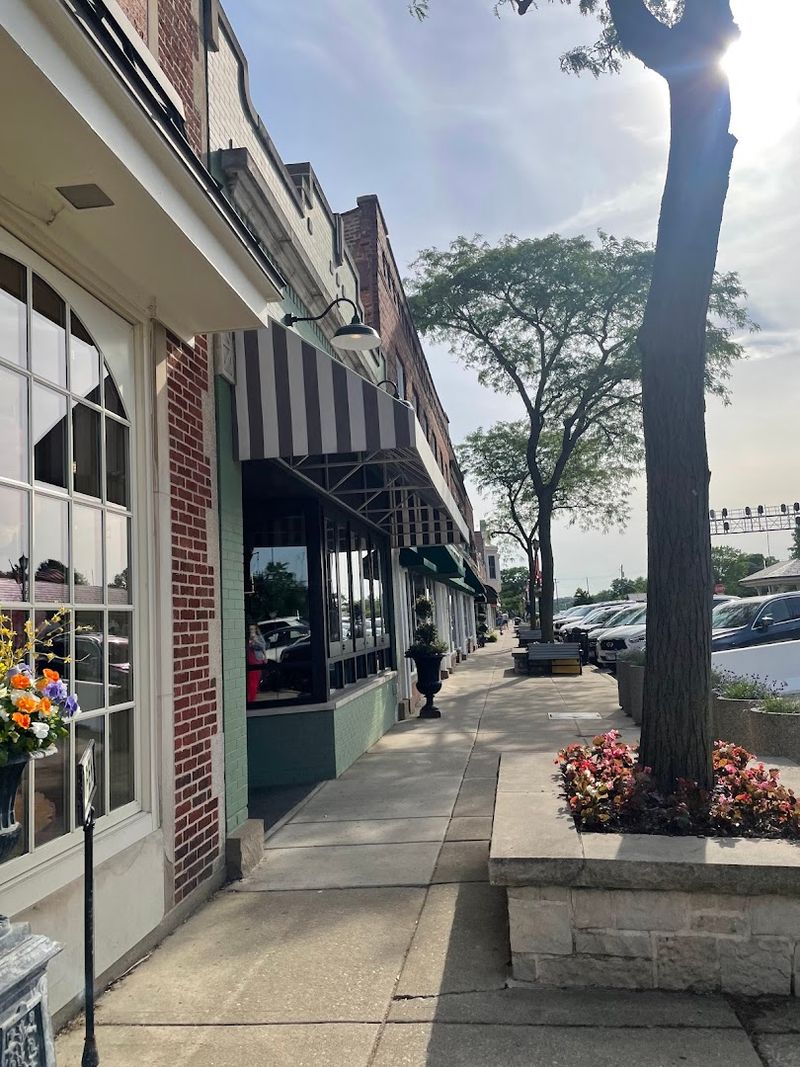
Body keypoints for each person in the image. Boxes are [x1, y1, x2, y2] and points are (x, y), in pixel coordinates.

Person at [246, 624, 267, 703]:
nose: (251, 631)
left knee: (256, 677)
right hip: (250, 658)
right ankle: (251, 697)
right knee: (251, 679)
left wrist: (256, 641)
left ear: (255, 630)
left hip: (257, 659)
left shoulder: (259, 637)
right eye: (250, 629)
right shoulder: (247, 638)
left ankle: (252, 696)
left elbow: (263, 646)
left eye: (252, 629)